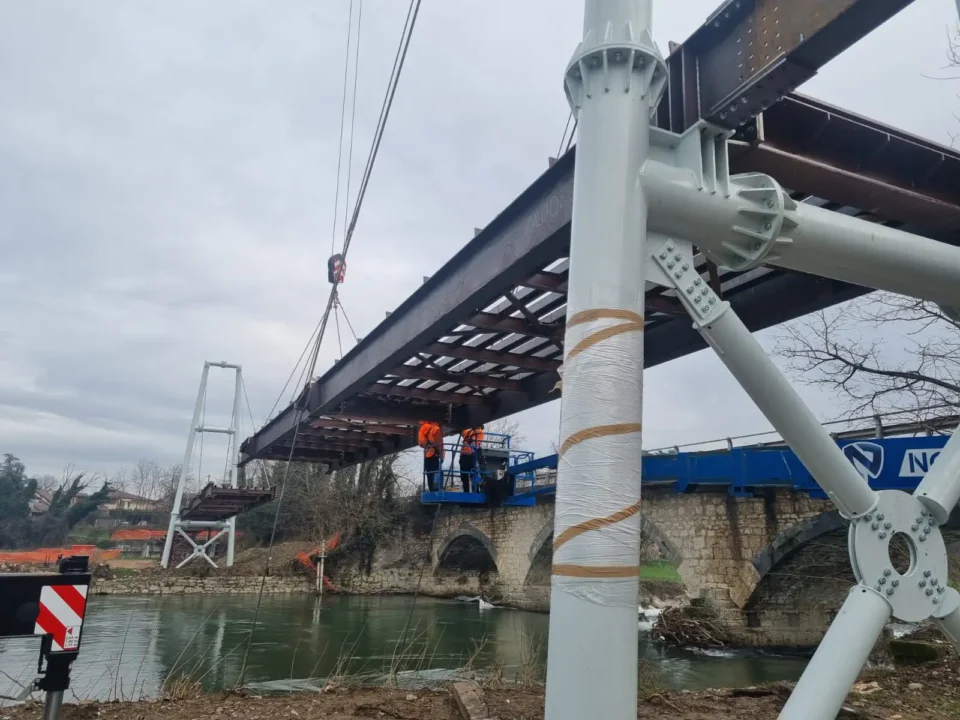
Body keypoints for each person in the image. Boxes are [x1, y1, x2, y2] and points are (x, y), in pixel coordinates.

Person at [418, 420, 444, 491]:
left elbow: (421, 443)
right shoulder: (436, 429)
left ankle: (431, 490)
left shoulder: (422, 429)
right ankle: (436, 489)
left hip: (427, 456)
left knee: (429, 474)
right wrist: (442, 457)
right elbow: (440, 445)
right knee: (437, 473)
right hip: (434, 456)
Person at [459, 425, 485, 493]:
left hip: (471, 456)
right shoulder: (469, 432)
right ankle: (469, 491)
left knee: (472, 475)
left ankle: (474, 491)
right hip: (465, 455)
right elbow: (462, 431)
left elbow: (475, 443)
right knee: (466, 475)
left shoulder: (479, 433)